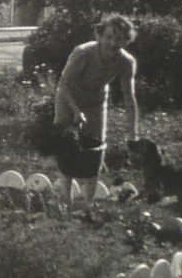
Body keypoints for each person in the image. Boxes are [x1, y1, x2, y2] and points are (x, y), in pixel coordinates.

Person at [53, 13, 139, 213]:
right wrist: (75, 112)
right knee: (67, 148)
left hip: (95, 102)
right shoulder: (82, 53)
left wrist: (133, 132)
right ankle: (66, 203)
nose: (112, 42)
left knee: (95, 150)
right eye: (109, 36)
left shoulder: (126, 62)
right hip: (68, 99)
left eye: (118, 38)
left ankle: (88, 206)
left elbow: (129, 97)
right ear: (100, 35)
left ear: (126, 40)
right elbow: (63, 84)